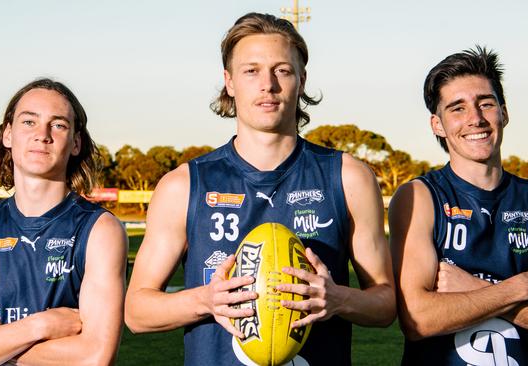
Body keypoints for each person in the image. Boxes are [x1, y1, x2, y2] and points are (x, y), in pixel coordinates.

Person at [125, 12, 396, 365]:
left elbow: (385, 303)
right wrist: (205, 300)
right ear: (229, 81)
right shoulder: (183, 185)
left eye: (282, 70)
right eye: (251, 70)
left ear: (301, 79)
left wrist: (339, 298)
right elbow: (136, 311)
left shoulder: (348, 177)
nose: (267, 84)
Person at [389, 46, 528, 365]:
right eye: (457, 108)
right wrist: (521, 287)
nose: (475, 119)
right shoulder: (419, 197)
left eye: (485, 103)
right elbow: (418, 319)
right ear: (437, 125)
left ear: (504, 112)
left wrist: (471, 288)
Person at [0, 79, 127, 365]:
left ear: (76, 142)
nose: (42, 134)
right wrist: (38, 327)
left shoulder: (101, 230)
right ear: (7, 134)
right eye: (29, 121)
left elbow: (95, 356)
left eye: (58, 125)